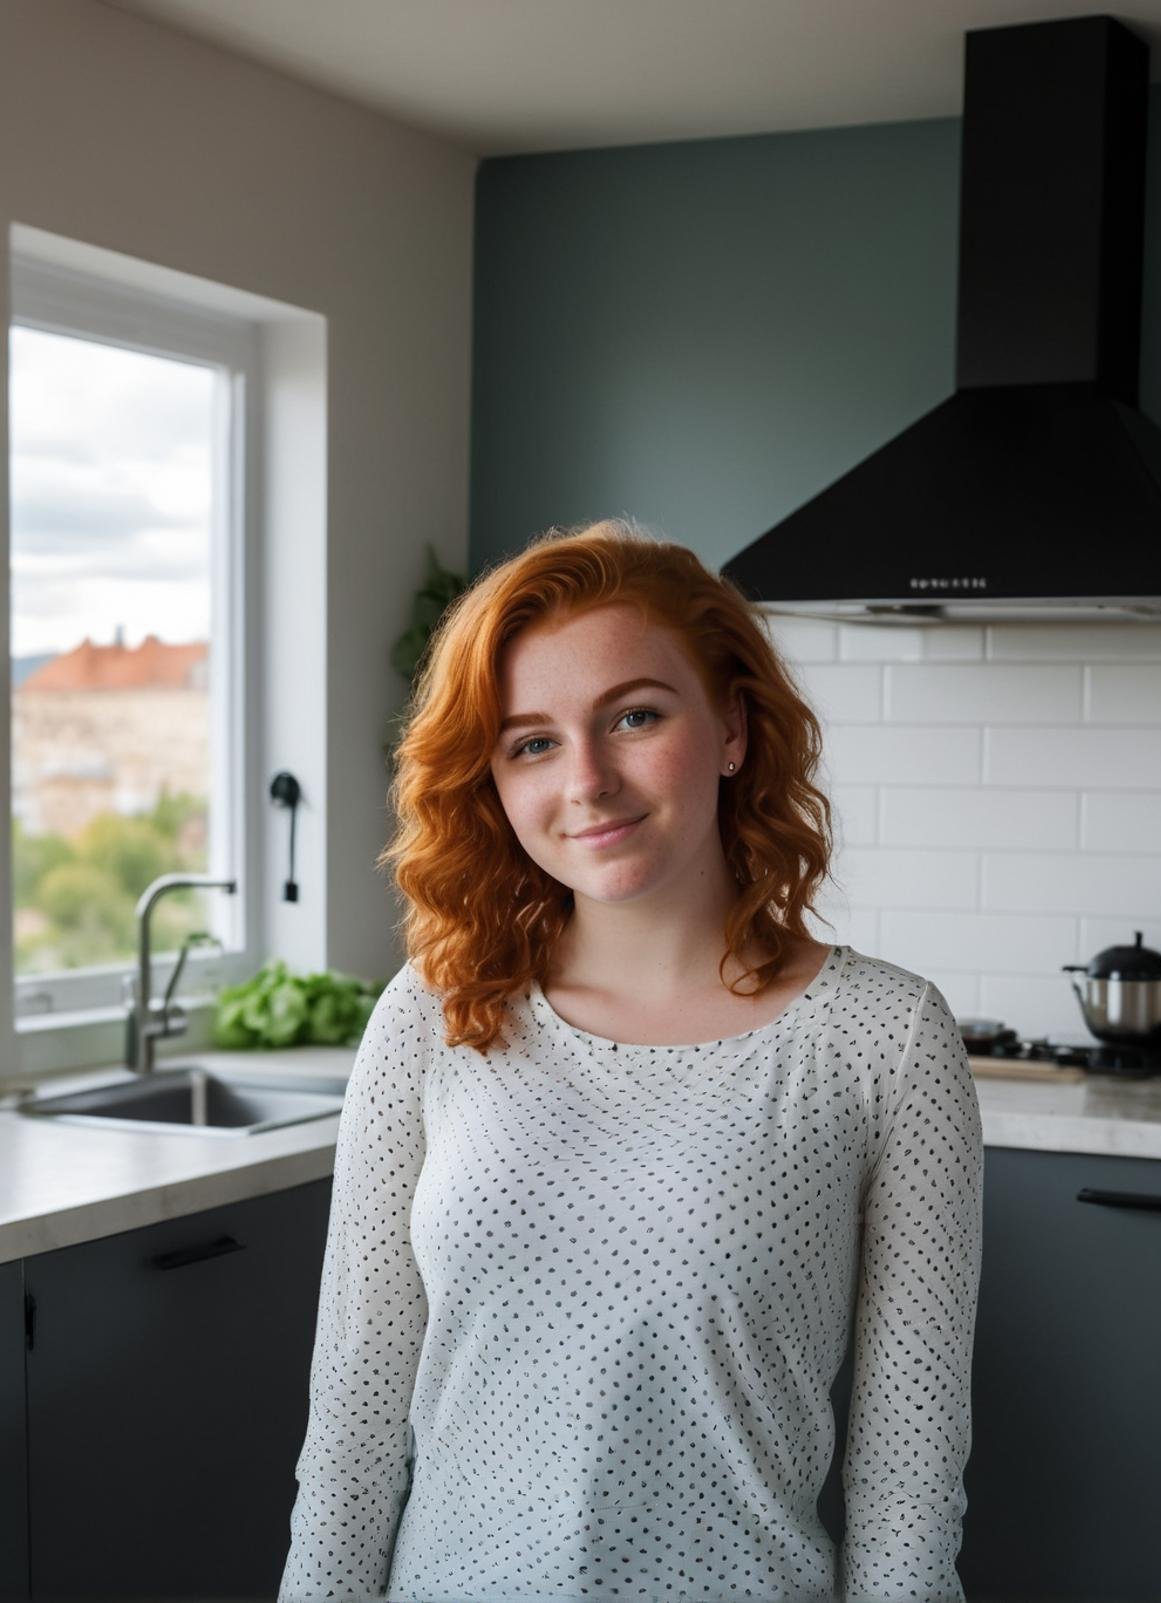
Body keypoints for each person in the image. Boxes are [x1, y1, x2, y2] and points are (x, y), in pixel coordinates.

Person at [278, 517, 985, 1603]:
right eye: (532, 742)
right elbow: (353, 1434)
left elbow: (907, 1489)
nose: (588, 780)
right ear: (494, 778)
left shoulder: (883, 1038)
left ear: (734, 727)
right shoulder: (433, 1016)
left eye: (636, 716)